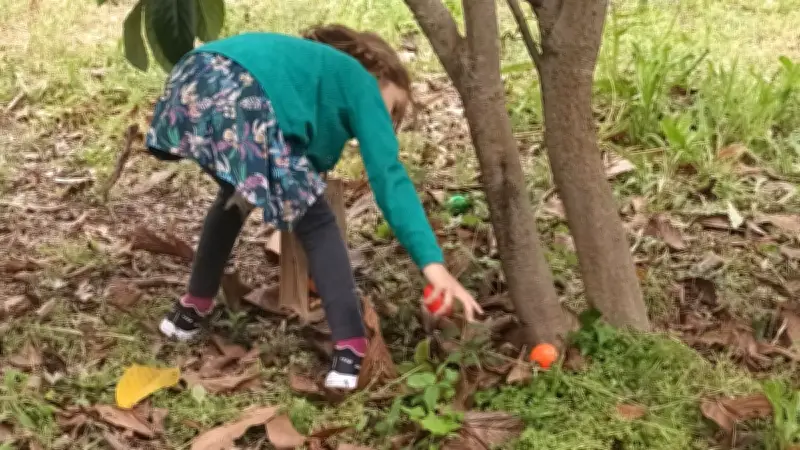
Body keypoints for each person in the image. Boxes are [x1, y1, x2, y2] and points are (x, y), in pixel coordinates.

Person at [145, 24, 483, 390]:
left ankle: (191, 308)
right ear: (380, 74)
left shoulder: (314, 73)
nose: (389, 121)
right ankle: (351, 346)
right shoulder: (362, 83)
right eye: (394, 108)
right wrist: (434, 267)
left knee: (235, 196)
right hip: (245, 95)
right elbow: (389, 177)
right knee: (317, 221)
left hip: (195, 77)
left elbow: (307, 142)